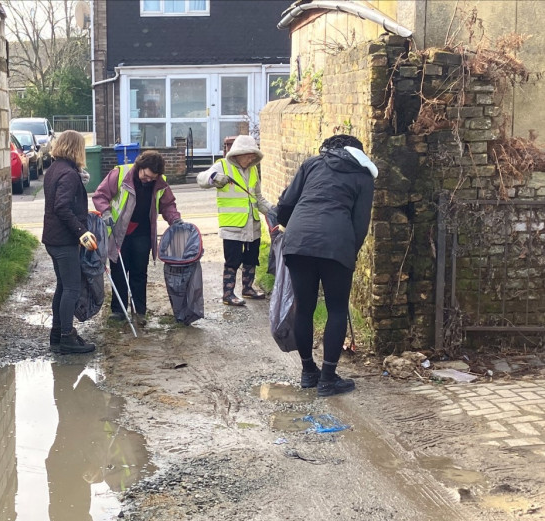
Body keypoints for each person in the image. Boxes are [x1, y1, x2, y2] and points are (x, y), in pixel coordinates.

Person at [277, 134, 377, 397]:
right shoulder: (363, 176)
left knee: (304, 307)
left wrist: (292, 227)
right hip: (337, 243)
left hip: (298, 242)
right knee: (336, 309)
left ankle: (308, 371)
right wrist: (349, 253)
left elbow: (286, 203)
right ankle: (328, 378)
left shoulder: (312, 164)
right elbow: (360, 224)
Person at [92, 150, 182, 327]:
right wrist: (106, 212)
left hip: (142, 233)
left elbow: (168, 204)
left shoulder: (159, 183)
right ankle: (118, 311)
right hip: (119, 232)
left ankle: (139, 311)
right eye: (146, 176)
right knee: (118, 270)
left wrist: (175, 219)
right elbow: (100, 195)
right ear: (140, 167)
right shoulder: (120, 174)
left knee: (139, 272)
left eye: (152, 178)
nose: (147, 180)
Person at [197, 135, 273, 306]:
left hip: (252, 224)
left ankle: (248, 289)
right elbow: (201, 178)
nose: (251, 158)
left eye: (254, 155)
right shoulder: (222, 166)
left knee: (251, 258)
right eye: (249, 155)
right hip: (232, 225)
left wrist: (273, 211)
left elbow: (258, 198)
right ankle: (228, 294)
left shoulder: (253, 170)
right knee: (233, 260)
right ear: (239, 153)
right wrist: (215, 178)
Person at [42, 130, 98, 354]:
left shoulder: (55, 169)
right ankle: (67, 337)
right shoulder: (68, 174)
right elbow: (62, 207)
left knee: (63, 287)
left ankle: (57, 335)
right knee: (71, 288)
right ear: (76, 148)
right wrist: (81, 232)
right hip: (64, 241)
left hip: (53, 239)